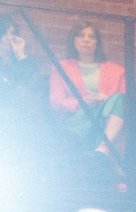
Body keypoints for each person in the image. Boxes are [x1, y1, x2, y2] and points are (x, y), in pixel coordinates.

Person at [48, 19, 127, 156]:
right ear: (74, 41)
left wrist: (107, 100)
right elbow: (55, 102)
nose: (86, 40)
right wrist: (81, 103)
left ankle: (103, 148)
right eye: (81, 35)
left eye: (91, 37)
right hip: (77, 120)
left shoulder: (117, 71)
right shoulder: (61, 68)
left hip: (104, 119)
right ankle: (105, 152)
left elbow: (124, 103)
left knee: (119, 99)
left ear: (97, 43)